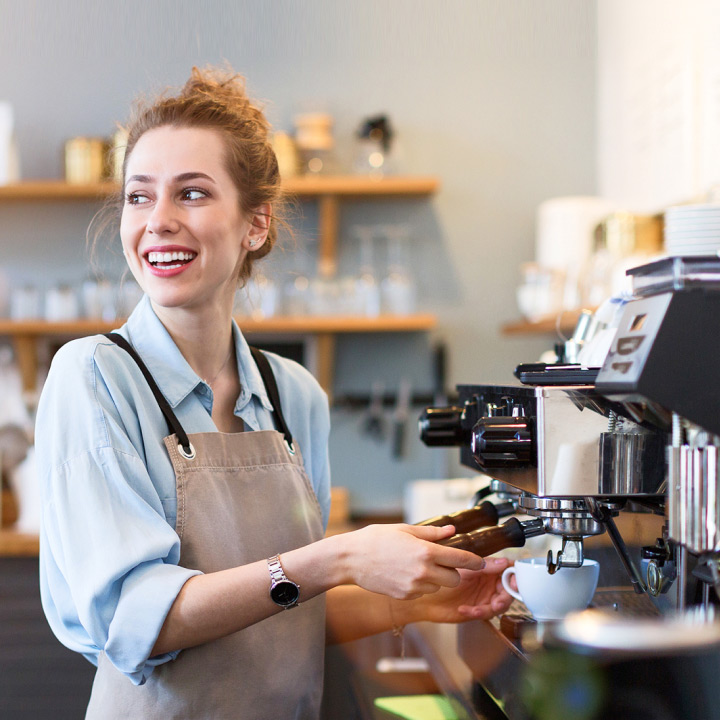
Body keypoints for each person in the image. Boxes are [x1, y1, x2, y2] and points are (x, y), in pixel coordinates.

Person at [36, 66, 513, 719]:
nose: (158, 222)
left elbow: (287, 612)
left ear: (254, 225)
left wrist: (408, 599)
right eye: (139, 197)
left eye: (193, 194)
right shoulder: (94, 376)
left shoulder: (294, 396)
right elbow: (132, 620)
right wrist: (343, 554)